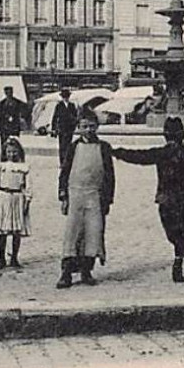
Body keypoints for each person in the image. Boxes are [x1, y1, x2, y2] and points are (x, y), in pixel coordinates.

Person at [111, 117, 184, 283]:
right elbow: (140, 157)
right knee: (174, 234)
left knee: (181, 233)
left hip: (182, 200)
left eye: (175, 136)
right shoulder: (166, 154)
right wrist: (118, 152)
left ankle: (178, 266)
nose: (172, 141)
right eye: (170, 137)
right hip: (167, 199)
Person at [56, 109, 115, 288]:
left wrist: (107, 199)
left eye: (91, 126)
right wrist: (63, 195)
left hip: (94, 195)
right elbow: (65, 172)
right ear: (78, 128)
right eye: (84, 127)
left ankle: (86, 271)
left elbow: (109, 175)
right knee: (73, 233)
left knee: (93, 233)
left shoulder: (104, 147)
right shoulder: (73, 147)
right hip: (75, 194)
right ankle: (66, 272)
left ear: (97, 127)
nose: (88, 130)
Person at [0, 136, 33, 270]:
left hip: (17, 198)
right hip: (4, 197)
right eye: (8, 152)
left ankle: (14, 257)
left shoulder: (24, 168)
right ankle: (1, 258)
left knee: (16, 231)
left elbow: (28, 186)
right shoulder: (0, 167)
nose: (11, 154)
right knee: (2, 231)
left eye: (14, 152)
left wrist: (27, 201)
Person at [50, 87, 78, 167]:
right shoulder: (59, 106)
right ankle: (62, 162)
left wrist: (74, 124)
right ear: (62, 97)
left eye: (67, 96)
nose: (66, 98)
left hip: (69, 128)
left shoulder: (72, 106)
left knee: (69, 145)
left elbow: (75, 116)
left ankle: (67, 161)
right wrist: (53, 128)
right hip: (62, 128)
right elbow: (55, 117)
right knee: (62, 145)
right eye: (64, 96)